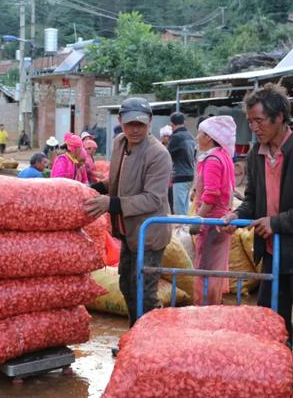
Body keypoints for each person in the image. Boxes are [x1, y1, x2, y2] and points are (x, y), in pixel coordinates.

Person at [222, 84, 293, 398]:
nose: (254, 127)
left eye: (260, 121)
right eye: (251, 121)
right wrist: (236, 214)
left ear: (280, 117)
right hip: (273, 254)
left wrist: (277, 222)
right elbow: (254, 199)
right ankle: (278, 381)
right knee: (272, 323)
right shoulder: (257, 156)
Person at [85, 97, 172, 331]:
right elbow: (120, 177)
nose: (135, 129)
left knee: (145, 291)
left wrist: (111, 203)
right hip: (128, 231)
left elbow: (153, 198)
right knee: (126, 283)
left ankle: (153, 339)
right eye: (130, 123)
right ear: (120, 120)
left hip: (149, 234)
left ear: (150, 123)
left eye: (140, 124)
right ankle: (136, 335)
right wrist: (97, 188)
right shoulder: (120, 143)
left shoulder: (158, 154)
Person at [189, 116, 236, 305]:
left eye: (199, 133)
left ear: (209, 137)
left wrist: (197, 221)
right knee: (214, 269)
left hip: (212, 224)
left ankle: (205, 310)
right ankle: (212, 307)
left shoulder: (213, 160)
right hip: (220, 222)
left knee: (206, 270)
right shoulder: (224, 157)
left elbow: (211, 195)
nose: (197, 137)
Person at [167, 112, 195, 215]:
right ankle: (185, 229)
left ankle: (181, 230)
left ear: (172, 124)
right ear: (184, 122)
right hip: (190, 176)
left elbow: (166, 156)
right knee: (185, 207)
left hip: (180, 176)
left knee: (178, 210)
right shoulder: (190, 136)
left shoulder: (176, 137)